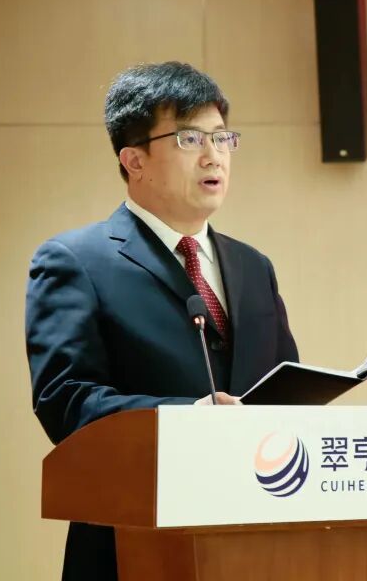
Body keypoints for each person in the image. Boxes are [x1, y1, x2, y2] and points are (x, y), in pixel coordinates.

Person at [25, 61, 300, 581]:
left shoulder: (253, 266)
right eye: (190, 138)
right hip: (134, 542)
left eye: (222, 138)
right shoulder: (75, 261)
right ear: (134, 160)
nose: (213, 155)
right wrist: (185, 418)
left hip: (258, 540)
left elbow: (283, 388)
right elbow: (66, 401)